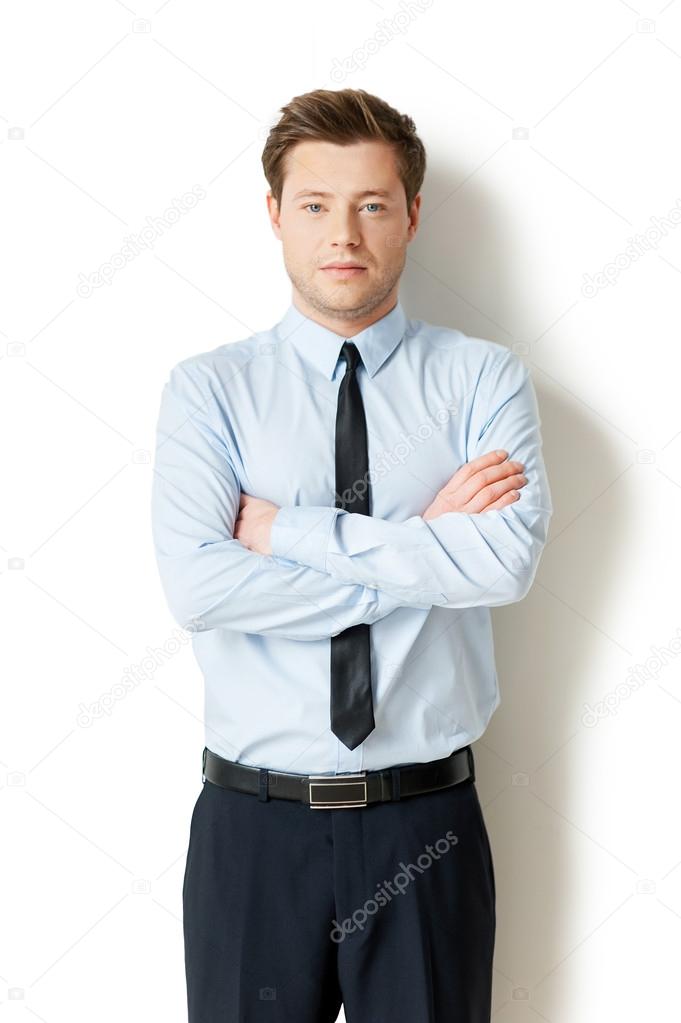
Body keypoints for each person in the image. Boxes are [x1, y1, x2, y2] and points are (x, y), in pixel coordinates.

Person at [151, 87, 553, 1023]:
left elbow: (500, 566)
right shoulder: (210, 390)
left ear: (411, 215)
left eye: (372, 204)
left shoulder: (481, 380)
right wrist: (424, 551)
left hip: (424, 822)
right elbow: (201, 584)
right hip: (253, 827)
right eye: (316, 205)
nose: (345, 233)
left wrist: (286, 530)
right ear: (274, 216)